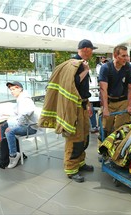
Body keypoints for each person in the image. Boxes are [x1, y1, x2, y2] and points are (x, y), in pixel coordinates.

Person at [38, 39, 97, 183]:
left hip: (82, 106)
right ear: (85, 49)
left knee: (84, 137)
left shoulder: (81, 64)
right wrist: (85, 71)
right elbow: (73, 84)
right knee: (74, 139)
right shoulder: (74, 65)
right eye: (91, 50)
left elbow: (82, 89)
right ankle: (71, 169)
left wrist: (87, 103)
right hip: (73, 109)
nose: (92, 53)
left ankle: (80, 163)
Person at [99, 45, 131, 137]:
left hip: (123, 101)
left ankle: (119, 148)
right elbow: (103, 90)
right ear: (115, 55)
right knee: (106, 128)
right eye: (123, 56)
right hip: (109, 101)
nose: (126, 58)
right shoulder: (106, 68)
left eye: (127, 56)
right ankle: (103, 148)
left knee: (121, 129)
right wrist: (105, 108)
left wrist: (129, 106)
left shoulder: (128, 68)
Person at [1, 81, 38, 168]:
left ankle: (13, 155)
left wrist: (13, 126)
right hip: (26, 124)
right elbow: (15, 112)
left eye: (14, 89)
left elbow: (25, 115)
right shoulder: (20, 99)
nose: (12, 91)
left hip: (31, 127)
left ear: (20, 89)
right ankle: (6, 151)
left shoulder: (25, 100)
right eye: (11, 90)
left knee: (10, 132)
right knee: (4, 125)